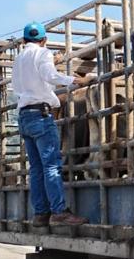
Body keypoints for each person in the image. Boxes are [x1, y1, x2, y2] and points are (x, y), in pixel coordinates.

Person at [12, 22, 94, 227]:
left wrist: (52, 63)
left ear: (23, 41)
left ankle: (41, 214)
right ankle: (58, 212)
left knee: (37, 169)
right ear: (44, 40)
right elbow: (50, 76)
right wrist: (77, 81)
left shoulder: (19, 59)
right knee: (51, 166)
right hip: (41, 115)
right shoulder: (43, 53)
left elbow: (23, 84)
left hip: (24, 116)